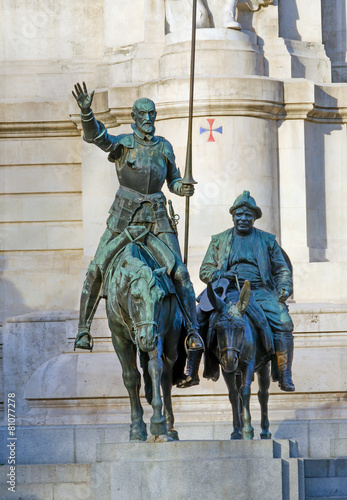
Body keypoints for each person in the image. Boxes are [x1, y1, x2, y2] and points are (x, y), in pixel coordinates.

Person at [72, 82, 204, 352]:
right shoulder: (123, 144)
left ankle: (192, 331)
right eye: (142, 114)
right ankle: (83, 330)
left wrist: (182, 188)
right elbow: (97, 136)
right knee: (96, 268)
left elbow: (173, 181)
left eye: (151, 114)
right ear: (133, 118)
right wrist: (87, 113)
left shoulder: (164, 147)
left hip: (157, 219)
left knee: (180, 273)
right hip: (123, 219)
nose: (148, 119)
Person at [180, 190, 295, 392]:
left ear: (254, 218)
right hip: (226, 291)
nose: (242, 218)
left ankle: (284, 373)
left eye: (247, 215)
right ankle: (191, 370)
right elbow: (205, 270)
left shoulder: (268, 241)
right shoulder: (219, 240)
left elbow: (281, 269)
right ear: (233, 216)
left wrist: (284, 287)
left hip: (260, 291)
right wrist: (220, 275)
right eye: (238, 214)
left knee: (284, 322)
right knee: (197, 317)